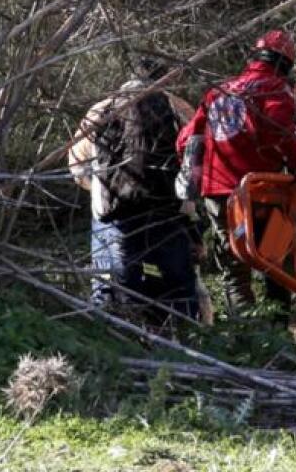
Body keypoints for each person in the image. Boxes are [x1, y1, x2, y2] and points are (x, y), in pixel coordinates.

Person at [177, 29, 296, 314]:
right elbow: (278, 129)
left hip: (217, 191)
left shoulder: (218, 91)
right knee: (274, 258)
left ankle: (246, 331)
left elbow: (186, 139)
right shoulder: (274, 89)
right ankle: (277, 332)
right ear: (285, 62)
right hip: (260, 188)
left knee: (234, 264)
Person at [67, 60, 204, 323]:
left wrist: (102, 188)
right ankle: (184, 343)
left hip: (116, 218)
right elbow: (197, 160)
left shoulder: (102, 110)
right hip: (168, 213)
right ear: (164, 80)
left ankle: (114, 341)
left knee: (112, 288)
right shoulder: (178, 107)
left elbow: (76, 165)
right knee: (177, 289)